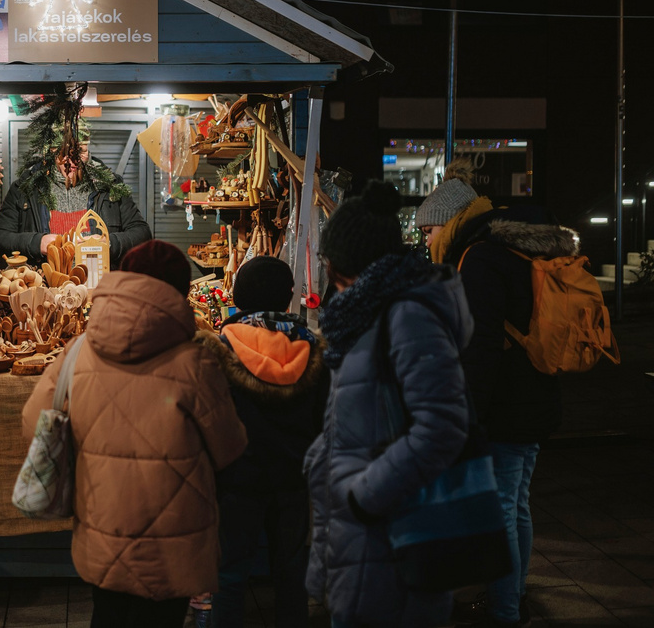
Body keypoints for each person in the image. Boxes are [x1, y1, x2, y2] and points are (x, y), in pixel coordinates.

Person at [22, 239, 247, 628]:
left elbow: (33, 423)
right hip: (174, 546)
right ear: (178, 293)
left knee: (107, 615)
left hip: (102, 530)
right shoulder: (197, 363)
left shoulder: (78, 351)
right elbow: (230, 448)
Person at [305, 181, 471, 628]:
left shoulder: (406, 314)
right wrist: (323, 456)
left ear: (352, 263)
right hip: (363, 538)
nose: (329, 273)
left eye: (331, 264)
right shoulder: (367, 313)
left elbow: (443, 426)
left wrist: (364, 494)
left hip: (393, 535)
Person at [416, 162, 567, 628]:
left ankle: (504, 612)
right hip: (535, 396)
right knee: (515, 503)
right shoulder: (510, 247)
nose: (425, 239)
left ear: (450, 221)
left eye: (428, 229)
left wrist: (468, 419)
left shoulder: (478, 258)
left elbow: (479, 349)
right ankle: (512, 598)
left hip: (505, 407)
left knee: (500, 510)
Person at [195, 257, 327, 628]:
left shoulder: (222, 349)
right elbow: (322, 420)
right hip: (294, 479)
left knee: (231, 572)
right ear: (288, 299)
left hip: (238, 479)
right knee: (291, 570)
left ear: (239, 298)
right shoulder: (314, 351)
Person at [0, 134, 151, 265]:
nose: (72, 160)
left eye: (80, 151)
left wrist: (106, 243)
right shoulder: (26, 187)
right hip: (44, 289)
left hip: (97, 286)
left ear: (88, 150)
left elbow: (142, 233)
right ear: (52, 151)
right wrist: (37, 242)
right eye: (64, 152)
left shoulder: (110, 185)